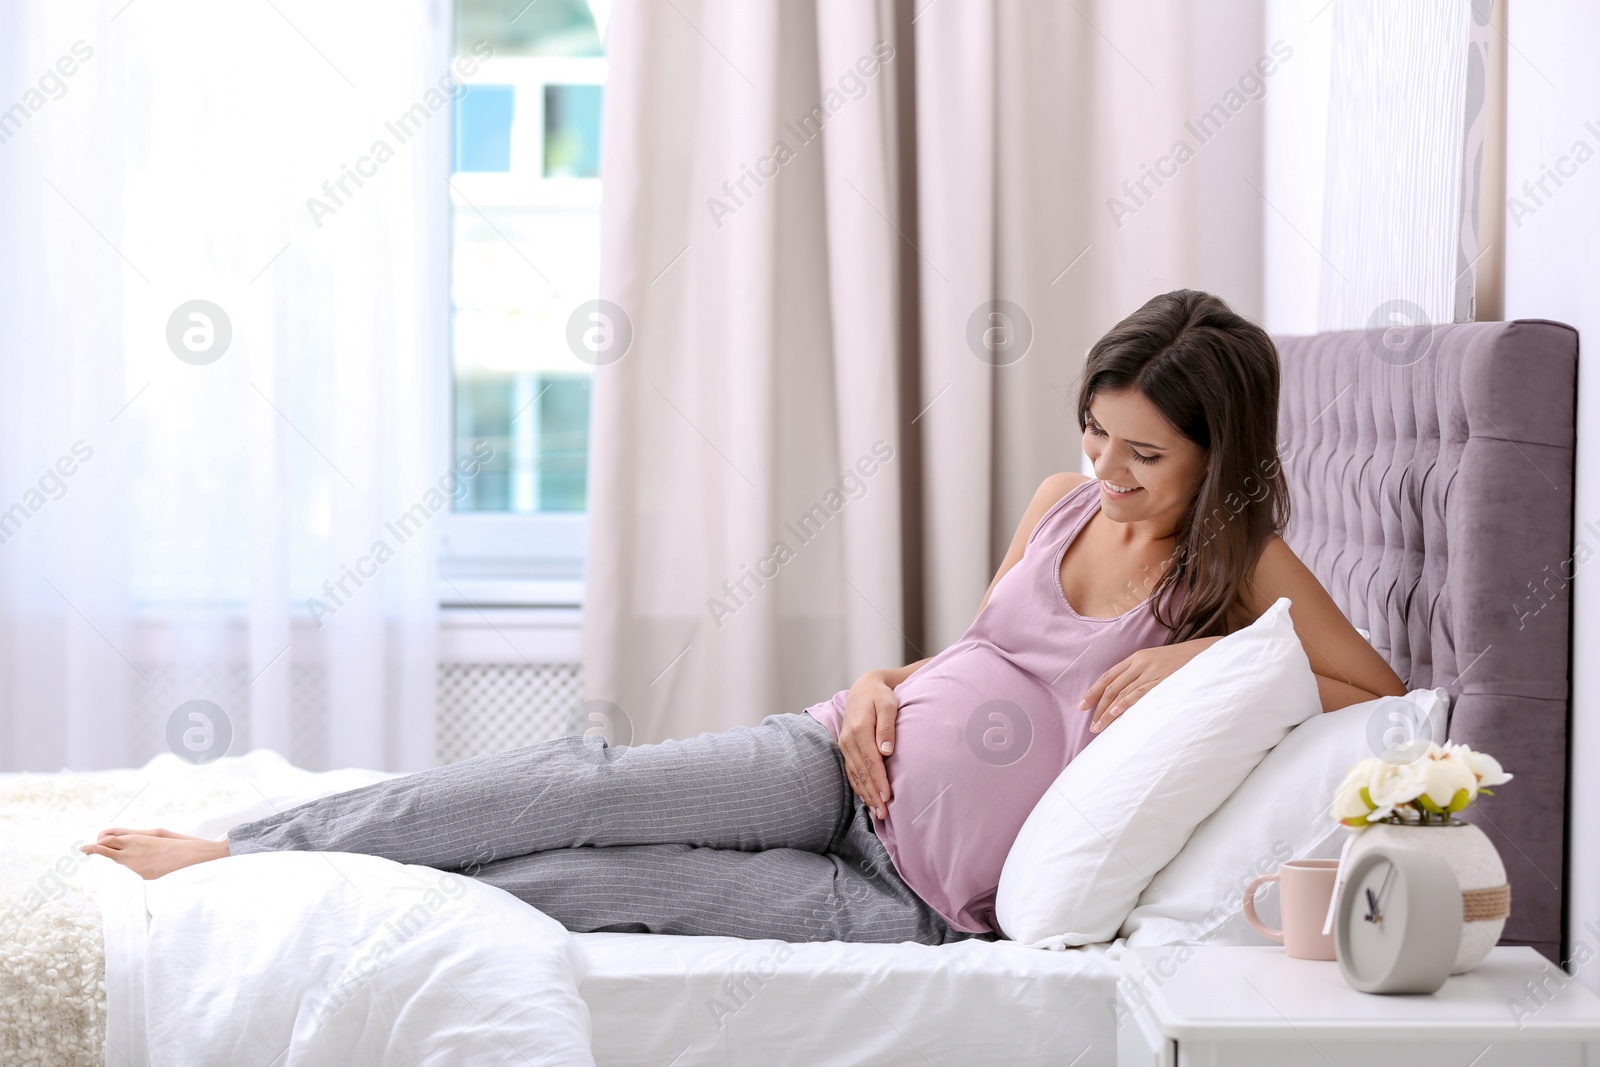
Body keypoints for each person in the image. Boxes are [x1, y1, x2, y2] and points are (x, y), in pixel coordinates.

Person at [83, 289, 1406, 944]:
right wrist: (894, 677)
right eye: (1098, 435)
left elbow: (1377, 691)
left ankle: (294, 903)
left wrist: (1190, 656)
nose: (1109, 475)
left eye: (1146, 459)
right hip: (836, 755)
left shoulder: (1247, 575)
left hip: (912, 900)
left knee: (578, 891)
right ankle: (246, 853)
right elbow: (987, 657)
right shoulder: (1063, 501)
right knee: (574, 780)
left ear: (1220, 459)